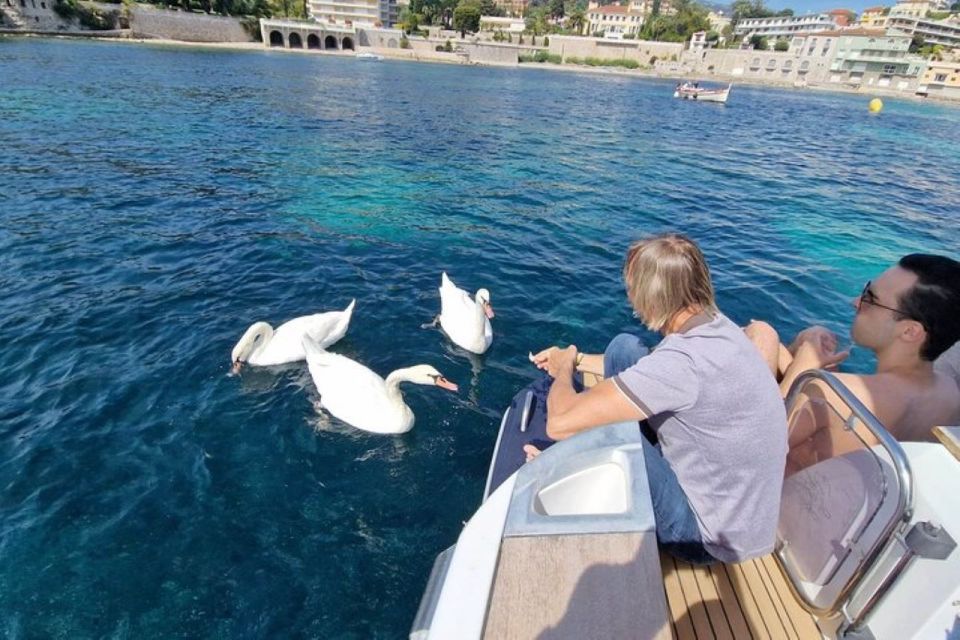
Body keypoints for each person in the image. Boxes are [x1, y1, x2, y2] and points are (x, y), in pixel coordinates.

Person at [529, 234, 787, 566]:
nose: (629, 297)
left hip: (704, 536)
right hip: (740, 519)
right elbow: (654, 372)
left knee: (614, 439)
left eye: (632, 288)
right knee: (624, 348)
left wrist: (564, 366)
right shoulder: (717, 328)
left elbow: (559, 421)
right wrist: (577, 359)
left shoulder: (682, 364)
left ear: (651, 296)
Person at [746, 254, 960, 443]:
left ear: (910, 332)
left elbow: (749, 445)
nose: (855, 302)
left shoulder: (835, 393)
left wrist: (804, 367)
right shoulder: (949, 391)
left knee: (761, 332)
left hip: (776, 479)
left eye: (870, 299)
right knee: (778, 345)